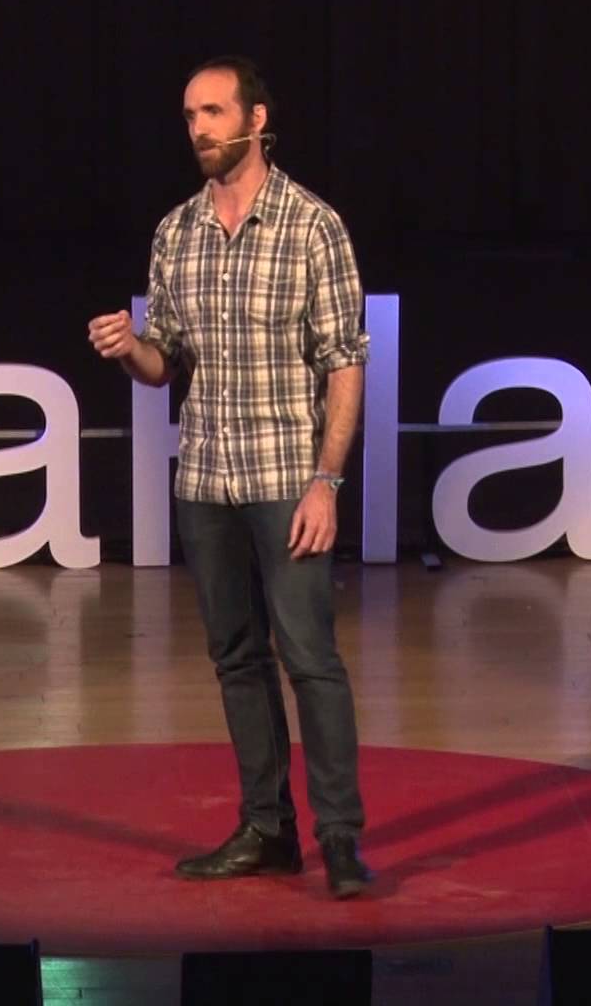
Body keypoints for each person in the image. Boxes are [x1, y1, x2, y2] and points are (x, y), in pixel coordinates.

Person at [86, 55, 372, 899]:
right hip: (206, 478)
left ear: (256, 119)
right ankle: (266, 829)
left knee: (310, 659)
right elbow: (163, 364)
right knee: (237, 660)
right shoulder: (175, 231)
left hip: (287, 476)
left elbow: (345, 362)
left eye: (213, 112)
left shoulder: (313, 225)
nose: (199, 129)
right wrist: (128, 349)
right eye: (189, 116)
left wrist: (328, 482)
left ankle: (341, 838)